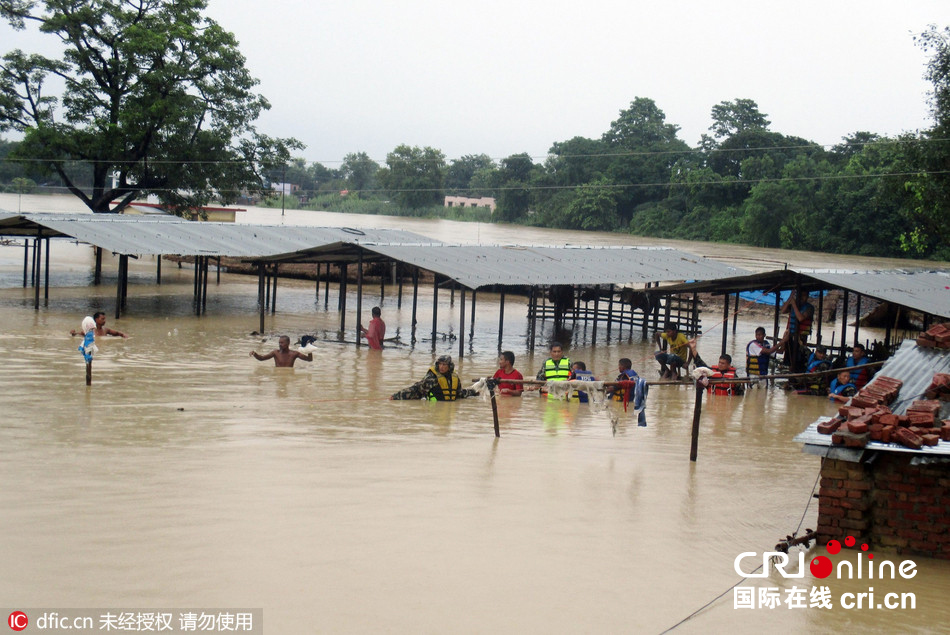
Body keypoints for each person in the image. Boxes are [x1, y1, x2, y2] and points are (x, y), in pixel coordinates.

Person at [391, 354, 476, 401]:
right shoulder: (432, 378)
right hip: (433, 410)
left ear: (449, 366)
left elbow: (459, 393)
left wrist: (474, 392)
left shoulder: (455, 378)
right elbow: (416, 389)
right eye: (440, 364)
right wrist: (396, 396)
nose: (441, 367)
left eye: (444, 365)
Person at [779, 290, 814, 372]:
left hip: (800, 338)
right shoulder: (793, 306)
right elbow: (783, 310)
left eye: (804, 295)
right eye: (800, 295)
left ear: (807, 296)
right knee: (789, 359)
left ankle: (797, 373)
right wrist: (790, 298)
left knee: (798, 359)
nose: (802, 297)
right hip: (790, 336)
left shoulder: (809, 308)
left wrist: (794, 304)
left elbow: (800, 318)